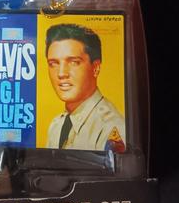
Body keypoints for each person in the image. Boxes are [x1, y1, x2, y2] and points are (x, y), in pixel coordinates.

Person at [45, 23, 126, 152]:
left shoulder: (111, 128)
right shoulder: (56, 126)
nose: (61, 73)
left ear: (95, 68)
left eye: (74, 62)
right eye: (53, 63)